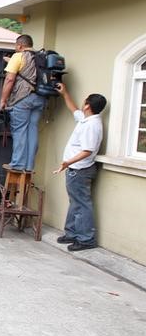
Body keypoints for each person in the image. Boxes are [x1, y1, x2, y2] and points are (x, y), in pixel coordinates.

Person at [52, 82, 107, 252]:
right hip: (76, 169)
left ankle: (86, 239)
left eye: (85, 102)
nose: (82, 105)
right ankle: (72, 233)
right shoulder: (87, 119)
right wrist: (65, 93)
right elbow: (74, 110)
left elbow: (87, 150)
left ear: (88, 105)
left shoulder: (92, 125)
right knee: (75, 202)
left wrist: (68, 162)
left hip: (80, 170)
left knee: (82, 204)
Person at [0, 34, 47, 172]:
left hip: (23, 98)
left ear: (20, 45)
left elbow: (9, 80)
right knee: (32, 129)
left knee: (20, 130)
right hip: (40, 98)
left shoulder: (18, 57)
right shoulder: (39, 57)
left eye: (16, 46)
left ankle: (18, 164)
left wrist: (3, 100)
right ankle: (29, 166)